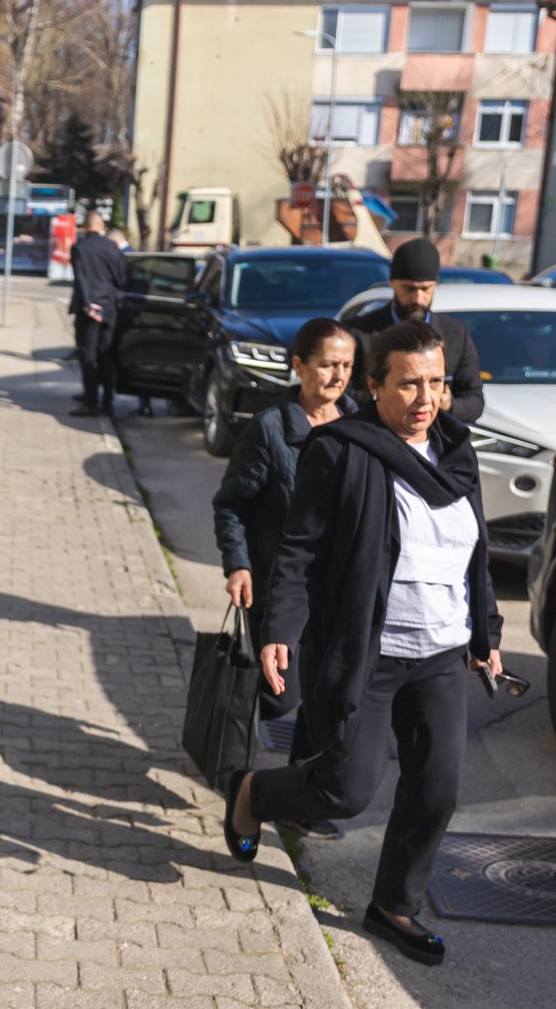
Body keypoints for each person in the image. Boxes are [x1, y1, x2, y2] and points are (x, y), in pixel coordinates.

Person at [221, 320, 503, 968]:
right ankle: (253, 793)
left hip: (440, 652)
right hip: (369, 651)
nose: (426, 398)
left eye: (436, 382)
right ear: (374, 386)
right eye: (408, 384)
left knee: (436, 791)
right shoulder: (341, 450)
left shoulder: (458, 452)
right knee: (345, 791)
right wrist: (280, 629)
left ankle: (394, 905)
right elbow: (299, 549)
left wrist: (485, 633)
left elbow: (476, 554)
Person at [211, 316, 356, 838]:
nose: (338, 376)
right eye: (328, 365)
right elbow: (231, 504)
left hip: (340, 592)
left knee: (325, 698)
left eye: (347, 366)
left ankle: (299, 800)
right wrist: (238, 563)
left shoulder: (359, 424)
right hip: (280, 587)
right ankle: (231, 745)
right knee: (282, 697)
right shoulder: (270, 429)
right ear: (299, 365)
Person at [342, 237, 485, 425]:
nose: (417, 298)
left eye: (425, 289)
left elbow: (474, 400)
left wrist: (448, 405)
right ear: (392, 283)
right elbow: (342, 393)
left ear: (435, 285)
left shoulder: (456, 334)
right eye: (409, 289)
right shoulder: (358, 332)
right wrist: (391, 399)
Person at [68, 211, 128, 418]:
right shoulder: (112, 247)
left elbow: (81, 278)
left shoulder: (80, 248)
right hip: (109, 308)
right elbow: (121, 279)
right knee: (106, 355)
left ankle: (90, 402)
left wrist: (87, 305)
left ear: (85, 227)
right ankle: (108, 402)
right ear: (101, 225)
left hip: (89, 311)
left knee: (88, 356)